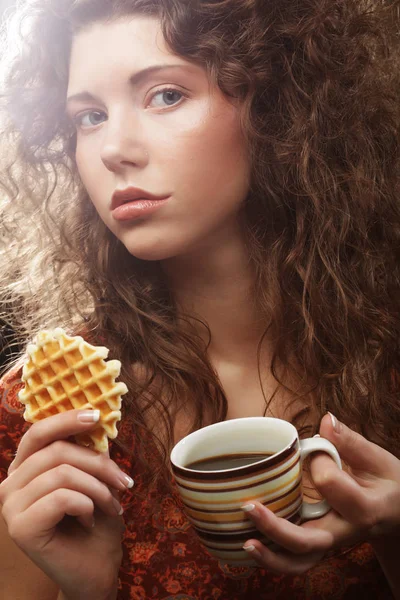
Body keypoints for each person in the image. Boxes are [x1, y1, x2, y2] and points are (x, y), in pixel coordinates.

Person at [0, 0, 399, 598]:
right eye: (88, 116)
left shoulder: (388, 358)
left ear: (279, 109)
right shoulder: (41, 414)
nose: (114, 148)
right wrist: (84, 591)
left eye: (165, 95)